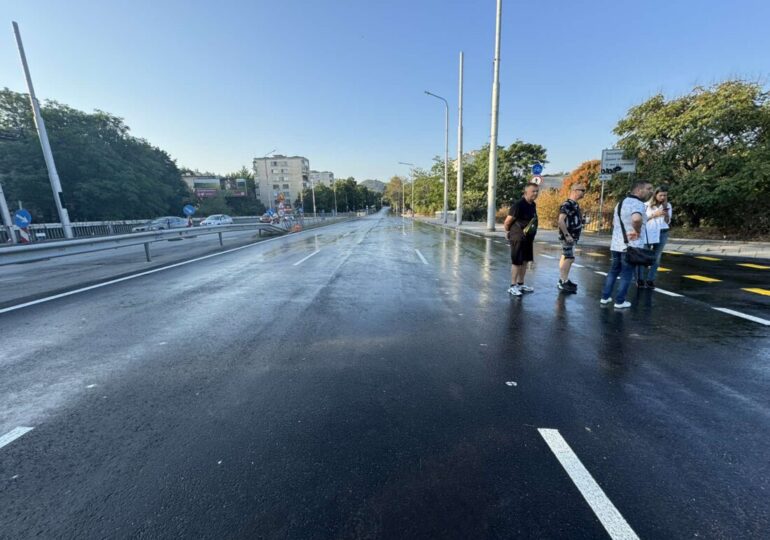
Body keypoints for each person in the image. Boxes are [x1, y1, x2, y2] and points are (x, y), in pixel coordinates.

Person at [600, 180, 653, 309]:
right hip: (631, 246)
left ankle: (605, 297)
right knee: (627, 274)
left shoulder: (620, 203)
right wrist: (637, 231)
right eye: (649, 188)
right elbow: (636, 218)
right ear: (639, 190)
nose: (651, 191)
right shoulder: (638, 203)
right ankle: (620, 301)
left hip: (616, 244)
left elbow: (614, 222)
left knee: (613, 271)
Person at [504, 183, 539, 297]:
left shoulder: (532, 205)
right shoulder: (518, 205)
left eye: (537, 191)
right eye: (533, 191)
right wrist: (507, 232)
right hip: (517, 237)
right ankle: (513, 286)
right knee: (517, 262)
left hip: (528, 238)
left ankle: (520, 284)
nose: (535, 193)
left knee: (525, 261)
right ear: (526, 192)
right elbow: (507, 221)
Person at [638, 186, 672, 289]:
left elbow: (668, 222)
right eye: (661, 195)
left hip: (662, 232)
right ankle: (640, 279)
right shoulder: (646, 205)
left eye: (665, 195)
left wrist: (666, 213)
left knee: (657, 258)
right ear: (655, 195)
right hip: (649, 232)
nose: (663, 197)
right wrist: (654, 214)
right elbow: (642, 220)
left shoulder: (668, 205)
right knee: (644, 257)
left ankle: (650, 279)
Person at [557, 183, 586, 293]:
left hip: (572, 236)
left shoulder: (575, 204)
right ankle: (563, 281)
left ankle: (563, 279)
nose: (584, 193)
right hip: (568, 236)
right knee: (569, 258)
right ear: (575, 190)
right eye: (582, 190)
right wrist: (567, 235)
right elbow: (560, 220)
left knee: (566, 257)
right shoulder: (567, 204)